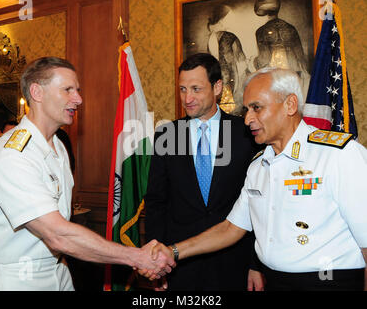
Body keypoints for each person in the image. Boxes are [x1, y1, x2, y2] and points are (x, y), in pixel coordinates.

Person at [148, 67, 367, 291]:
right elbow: (230, 229)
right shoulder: (258, 166)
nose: (247, 119)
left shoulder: (338, 155)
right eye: (246, 110)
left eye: (256, 108)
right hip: (274, 283)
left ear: (290, 105)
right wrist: (173, 251)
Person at [0, 57, 174, 291]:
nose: (79, 99)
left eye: (77, 90)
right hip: (18, 280)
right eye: (67, 90)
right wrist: (138, 258)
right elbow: (58, 234)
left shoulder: (58, 147)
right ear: (37, 92)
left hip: (59, 271)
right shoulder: (12, 155)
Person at [144, 53, 264, 291]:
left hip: (235, 262)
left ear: (217, 87)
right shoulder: (167, 135)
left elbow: (259, 206)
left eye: (196, 89)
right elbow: (157, 202)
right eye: (182, 89)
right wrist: (156, 262)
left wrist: (256, 264)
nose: (187, 98)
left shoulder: (246, 133)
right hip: (180, 264)